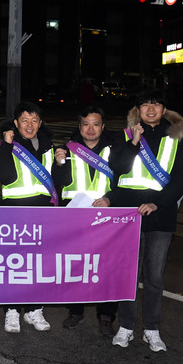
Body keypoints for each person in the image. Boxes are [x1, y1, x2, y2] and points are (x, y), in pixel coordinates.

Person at [102, 90, 183, 352]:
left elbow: (181, 178)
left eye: (156, 104)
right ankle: (126, 326)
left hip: (161, 215)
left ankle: (152, 329)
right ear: (137, 110)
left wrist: (158, 203)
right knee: (128, 275)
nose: (151, 109)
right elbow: (117, 167)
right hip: (128, 217)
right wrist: (134, 142)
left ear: (164, 110)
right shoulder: (125, 135)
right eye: (145, 104)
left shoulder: (176, 138)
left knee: (154, 277)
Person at [52, 106, 117, 336]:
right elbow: (57, 182)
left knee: (107, 268)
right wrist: (59, 164)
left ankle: (106, 316)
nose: (90, 129)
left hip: (106, 217)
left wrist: (110, 199)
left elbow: (123, 182)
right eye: (86, 124)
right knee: (76, 266)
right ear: (79, 127)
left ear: (103, 126)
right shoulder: (68, 149)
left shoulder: (114, 150)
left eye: (95, 124)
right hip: (75, 218)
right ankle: (75, 311)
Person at [0, 101, 55, 334]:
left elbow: (58, 181)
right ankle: (12, 310)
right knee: (15, 264)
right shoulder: (5, 146)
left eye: (34, 120)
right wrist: (7, 146)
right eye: (24, 120)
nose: (29, 125)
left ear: (40, 123)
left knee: (38, 264)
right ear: (16, 123)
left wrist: (61, 161)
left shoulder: (48, 147)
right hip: (14, 213)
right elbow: (1, 175)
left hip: (43, 213)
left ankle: (34, 309)